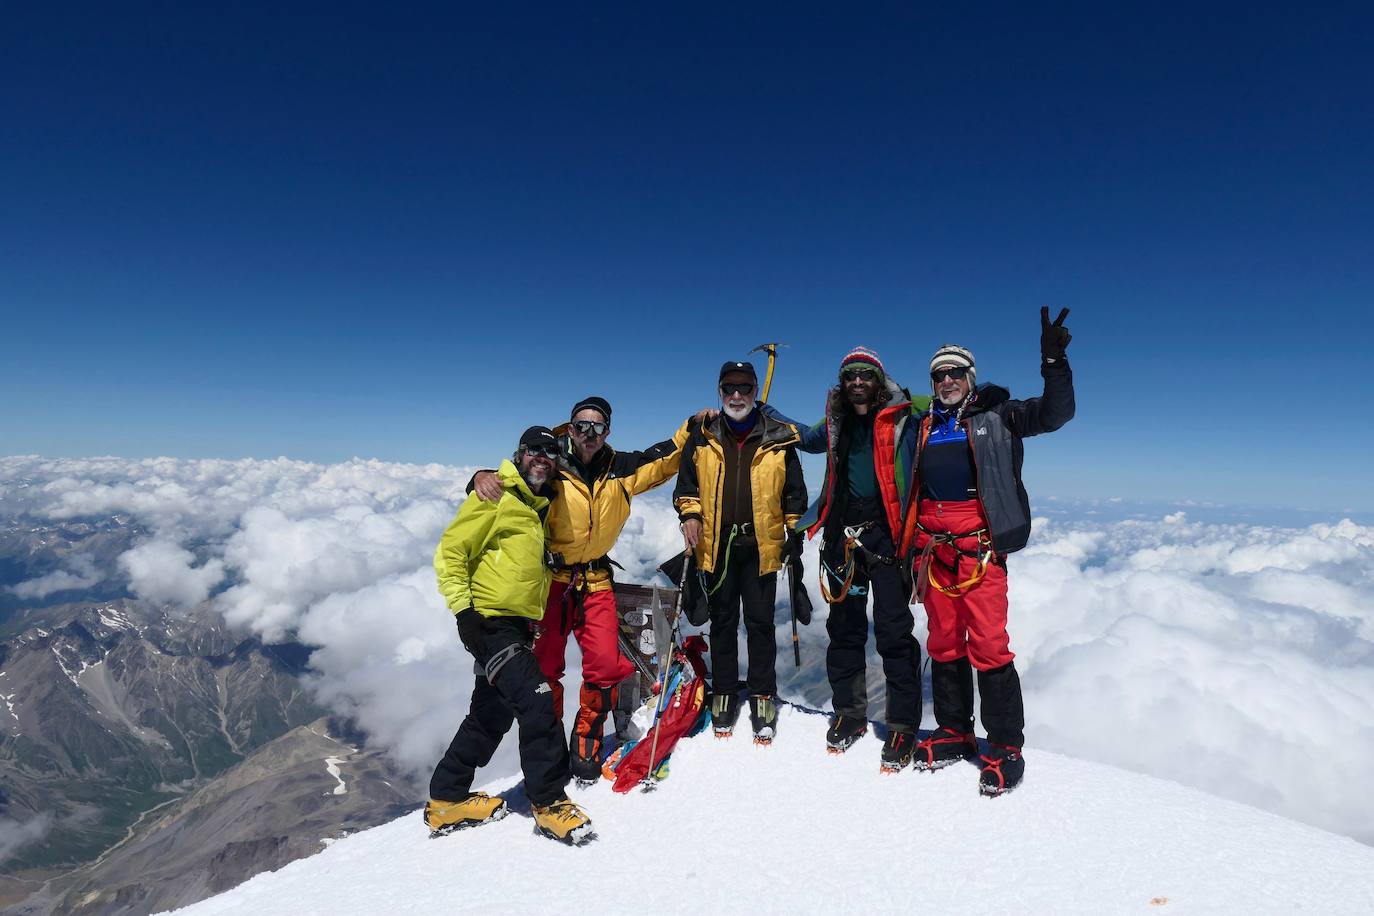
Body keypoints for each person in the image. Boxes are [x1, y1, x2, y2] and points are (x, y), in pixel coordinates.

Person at [900, 308, 1075, 796]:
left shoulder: (1001, 415)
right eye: (940, 375)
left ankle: (1005, 746)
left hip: (979, 551)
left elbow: (1056, 414)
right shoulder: (923, 424)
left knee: (990, 646)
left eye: (956, 373)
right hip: (933, 552)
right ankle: (955, 731)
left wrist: (1053, 360)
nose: (948, 380)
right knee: (944, 642)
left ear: (970, 378)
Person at [471, 398, 691, 782]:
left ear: (608, 432)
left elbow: (665, 458)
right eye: (581, 426)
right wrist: (479, 476)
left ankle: (587, 733)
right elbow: (515, 474)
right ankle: (550, 740)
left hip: (595, 579)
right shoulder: (552, 463)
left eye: (598, 427)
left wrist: (693, 426)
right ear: (570, 429)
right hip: (550, 581)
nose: (589, 434)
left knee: (605, 664)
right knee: (544, 667)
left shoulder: (621, 469)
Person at [762, 347, 929, 772]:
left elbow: (950, 402)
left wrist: (978, 394)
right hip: (843, 539)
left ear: (879, 380)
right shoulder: (836, 422)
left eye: (865, 374)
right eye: (850, 375)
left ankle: (902, 725)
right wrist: (762, 409)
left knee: (894, 633)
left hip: (889, 541)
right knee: (845, 630)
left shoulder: (905, 415)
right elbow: (803, 435)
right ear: (843, 382)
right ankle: (849, 714)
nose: (857, 381)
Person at [427, 426, 594, 846]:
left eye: (549, 452)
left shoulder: (535, 501)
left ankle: (446, 799)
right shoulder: (496, 495)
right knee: (538, 704)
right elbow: (451, 552)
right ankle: (549, 803)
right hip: (490, 624)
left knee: (491, 715)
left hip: (517, 627)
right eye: (534, 450)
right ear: (519, 455)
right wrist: (465, 614)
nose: (542, 457)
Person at [674, 360, 806, 744]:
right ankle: (726, 692)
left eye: (744, 388)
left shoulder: (778, 438)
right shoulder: (703, 436)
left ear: (754, 393)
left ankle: (763, 694)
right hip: (717, 547)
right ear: (719, 391)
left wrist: (793, 532)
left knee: (761, 623)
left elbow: (794, 492)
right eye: (729, 388)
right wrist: (691, 515)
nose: (736, 395)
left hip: (762, 546)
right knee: (723, 623)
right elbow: (686, 487)